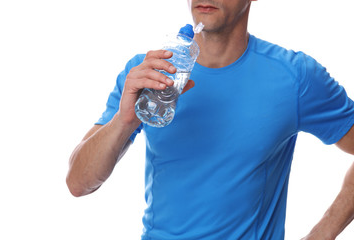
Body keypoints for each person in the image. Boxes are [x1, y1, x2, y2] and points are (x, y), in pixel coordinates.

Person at [66, 0, 354, 239]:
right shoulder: (147, 73)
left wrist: (324, 232)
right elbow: (78, 183)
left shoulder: (295, 77)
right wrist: (124, 121)